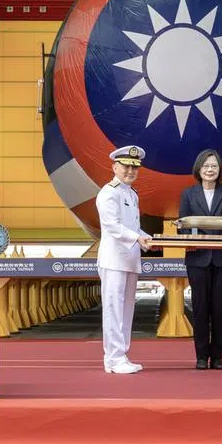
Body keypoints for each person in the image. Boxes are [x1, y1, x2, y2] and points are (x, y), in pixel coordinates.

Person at [178, 149, 222, 370]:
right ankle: (202, 356)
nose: (210, 170)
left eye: (214, 166)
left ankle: (218, 357)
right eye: (206, 166)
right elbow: (182, 225)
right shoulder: (188, 194)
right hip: (198, 258)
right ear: (199, 169)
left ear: (219, 169)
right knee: (200, 308)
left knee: (220, 309)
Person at [95, 145, 152, 374]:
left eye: (134, 167)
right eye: (126, 166)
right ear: (114, 167)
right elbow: (112, 225)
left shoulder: (131, 193)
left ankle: (121, 355)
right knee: (113, 310)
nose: (130, 171)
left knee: (126, 309)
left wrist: (148, 238)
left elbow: (134, 227)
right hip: (113, 260)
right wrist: (138, 238)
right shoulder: (109, 192)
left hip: (129, 259)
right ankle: (113, 357)